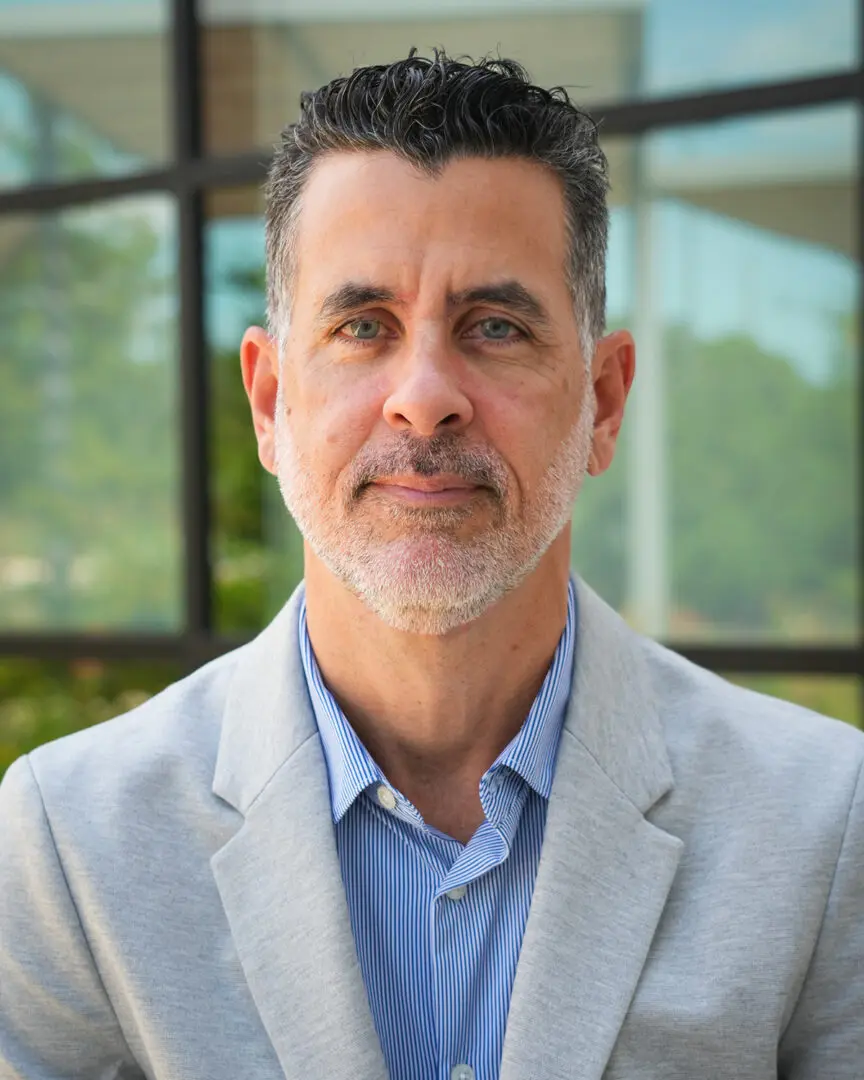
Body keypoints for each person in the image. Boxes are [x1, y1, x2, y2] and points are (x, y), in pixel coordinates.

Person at [0, 51, 861, 1080]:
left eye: (494, 327)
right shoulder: (69, 847)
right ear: (272, 401)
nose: (424, 397)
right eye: (363, 327)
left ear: (605, 400)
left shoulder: (824, 827)